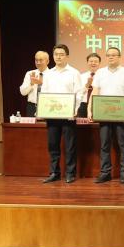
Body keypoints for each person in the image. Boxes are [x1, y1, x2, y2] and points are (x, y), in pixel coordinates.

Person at [89, 47, 124, 183]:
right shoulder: (100, 72)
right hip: (103, 114)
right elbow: (95, 92)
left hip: (121, 113)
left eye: (114, 55)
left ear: (119, 57)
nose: (111, 57)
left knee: (123, 144)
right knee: (104, 144)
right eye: (108, 55)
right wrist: (90, 109)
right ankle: (105, 173)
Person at [41, 44, 82, 184]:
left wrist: (75, 109)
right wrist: (43, 109)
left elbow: (79, 93)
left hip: (68, 114)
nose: (58, 57)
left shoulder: (74, 73)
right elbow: (44, 92)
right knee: (53, 145)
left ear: (67, 56)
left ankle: (70, 173)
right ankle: (54, 173)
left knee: (70, 145)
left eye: (61, 54)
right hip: (52, 114)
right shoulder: (48, 74)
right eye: (56, 54)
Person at [18, 50, 49, 117]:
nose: (38, 62)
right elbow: (23, 92)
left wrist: (42, 84)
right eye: (36, 60)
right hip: (31, 107)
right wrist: (31, 84)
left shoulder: (53, 75)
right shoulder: (30, 73)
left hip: (47, 106)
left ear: (47, 61)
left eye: (41, 60)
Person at [77, 52, 102, 118]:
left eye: (96, 61)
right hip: (83, 104)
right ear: (87, 62)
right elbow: (79, 93)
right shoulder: (81, 76)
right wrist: (87, 85)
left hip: (98, 104)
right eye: (91, 61)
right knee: (82, 123)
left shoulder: (103, 76)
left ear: (99, 63)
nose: (93, 63)